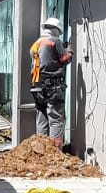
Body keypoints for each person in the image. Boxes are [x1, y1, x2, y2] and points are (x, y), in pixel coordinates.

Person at [30, 16, 74, 148]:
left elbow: (45, 60)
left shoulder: (35, 44)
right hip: (52, 87)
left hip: (37, 87)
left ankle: (40, 150)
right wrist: (70, 50)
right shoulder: (55, 41)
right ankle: (55, 152)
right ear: (56, 30)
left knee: (42, 118)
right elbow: (65, 59)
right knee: (55, 119)